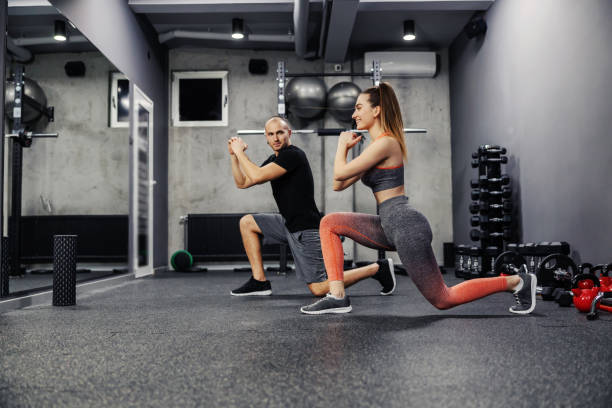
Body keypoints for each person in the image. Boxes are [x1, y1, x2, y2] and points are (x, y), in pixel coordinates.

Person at [300, 83, 537, 315]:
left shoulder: (386, 142)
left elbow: (339, 172)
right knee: (329, 223)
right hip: (387, 224)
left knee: (443, 298)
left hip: (405, 224)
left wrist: (341, 146)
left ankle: (517, 282)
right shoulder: (374, 148)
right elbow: (337, 184)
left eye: (359, 107)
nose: (354, 114)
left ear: (376, 110)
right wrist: (347, 149)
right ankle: (338, 297)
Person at [227, 116, 396, 300]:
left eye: (280, 133)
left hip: (306, 229)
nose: (276, 138)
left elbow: (257, 176)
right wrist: (234, 156)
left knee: (319, 288)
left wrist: (241, 152)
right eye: (271, 134)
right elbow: (243, 182)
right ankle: (259, 281)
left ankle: (378, 268)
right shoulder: (274, 159)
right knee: (247, 223)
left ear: (289, 133)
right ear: (266, 138)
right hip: (287, 224)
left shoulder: (293, 155)